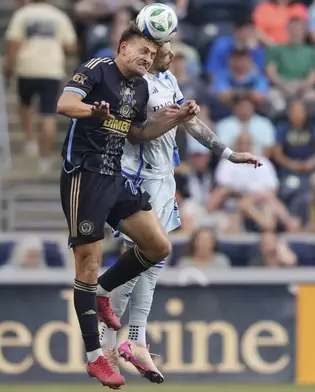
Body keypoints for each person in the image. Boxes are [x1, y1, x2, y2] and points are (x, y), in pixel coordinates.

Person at [101, 42, 261, 383]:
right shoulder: (134, 83)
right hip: (138, 177)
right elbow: (136, 130)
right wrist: (177, 114)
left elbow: (190, 125)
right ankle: (110, 344)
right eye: (166, 49)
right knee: (140, 257)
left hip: (163, 177)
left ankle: (135, 339)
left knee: (152, 261)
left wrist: (228, 153)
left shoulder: (168, 79)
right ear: (150, 50)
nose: (172, 55)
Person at [56, 25, 196, 388]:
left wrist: (175, 118)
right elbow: (64, 105)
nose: (147, 58)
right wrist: (92, 111)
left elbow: (137, 133)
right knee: (87, 262)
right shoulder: (96, 68)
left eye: (151, 55)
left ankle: (102, 292)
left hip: (115, 177)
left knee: (158, 246)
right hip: (83, 176)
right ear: (122, 47)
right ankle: (95, 358)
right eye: (142, 51)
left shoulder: (141, 86)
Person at [4, 0, 77, 171]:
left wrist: (8, 67)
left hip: (27, 68)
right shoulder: (59, 16)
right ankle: (45, 158)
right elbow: (70, 45)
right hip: (51, 69)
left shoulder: (22, 14)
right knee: (48, 114)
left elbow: (14, 43)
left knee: (24, 105)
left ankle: (30, 140)